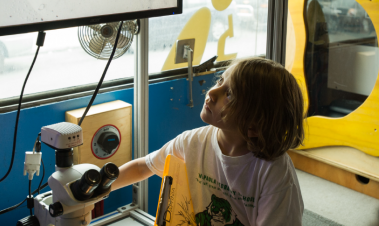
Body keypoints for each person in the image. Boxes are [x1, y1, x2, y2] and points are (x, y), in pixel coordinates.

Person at [111, 57, 305, 225]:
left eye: (229, 94)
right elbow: (143, 167)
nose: (212, 92)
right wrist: (98, 190)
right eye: (220, 80)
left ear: (254, 126)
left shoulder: (275, 173)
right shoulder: (191, 142)